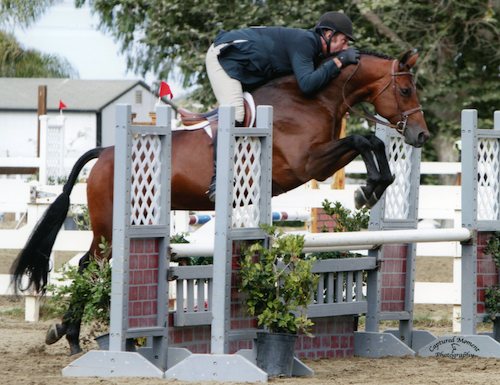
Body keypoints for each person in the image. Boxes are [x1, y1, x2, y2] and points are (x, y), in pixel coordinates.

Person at [205, 11, 360, 201]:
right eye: (344, 41)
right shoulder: (306, 42)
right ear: (328, 34)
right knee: (236, 113)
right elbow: (307, 84)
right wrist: (340, 61)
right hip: (224, 58)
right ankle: (219, 180)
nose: (345, 48)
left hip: (252, 67)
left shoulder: (314, 50)